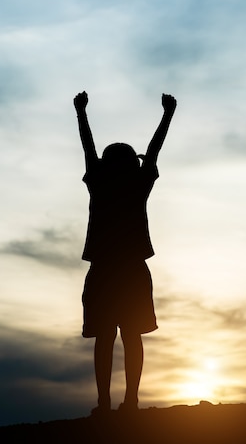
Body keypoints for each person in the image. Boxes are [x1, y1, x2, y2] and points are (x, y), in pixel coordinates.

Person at [74, 91, 177, 415]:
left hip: (106, 270)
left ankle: (108, 403)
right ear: (133, 163)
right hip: (129, 270)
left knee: (107, 338)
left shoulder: (101, 182)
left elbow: (88, 148)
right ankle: (128, 401)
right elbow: (155, 149)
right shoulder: (136, 183)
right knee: (130, 337)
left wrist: (81, 112)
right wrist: (167, 115)